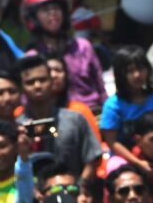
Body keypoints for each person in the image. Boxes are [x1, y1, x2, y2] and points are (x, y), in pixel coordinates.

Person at [15, 54, 101, 183]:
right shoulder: (16, 127)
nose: (37, 86)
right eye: (30, 82)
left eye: (42, 80)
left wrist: (78, 188)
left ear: (52, 81)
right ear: (21, 87)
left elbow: (92, 160)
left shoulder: (75, 119)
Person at [21, 0, 104, 111]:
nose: (52, 13)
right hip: (58, 122)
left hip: (93, 114)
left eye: (56, 8)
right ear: (33, 18)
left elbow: (101, 88)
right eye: (45, 10)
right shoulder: (32, 57)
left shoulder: (83, 47)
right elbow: (27, 102)